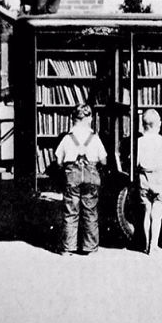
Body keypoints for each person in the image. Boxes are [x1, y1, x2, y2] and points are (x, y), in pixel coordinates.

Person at [55, 104, 107, 256]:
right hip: (91, 175)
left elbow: (58, 161)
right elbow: (103, 160)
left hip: (72, 176)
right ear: (89, 119)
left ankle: (68, 248)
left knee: (71, 211)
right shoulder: (95, 138)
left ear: (73, 119)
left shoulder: (66, 138)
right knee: (90, 211)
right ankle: (89, 247)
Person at [137, 109, 162, 255]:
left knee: (147, 212)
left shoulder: (139, 142)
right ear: (159, 124)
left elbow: (136, 162)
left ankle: (145, 244)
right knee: (157, 214)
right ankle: (154, 245)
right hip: (159, 177)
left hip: (144, 178)